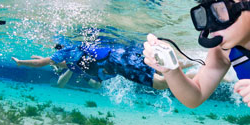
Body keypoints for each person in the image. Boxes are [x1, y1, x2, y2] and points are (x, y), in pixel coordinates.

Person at [12, 39, 197, 90]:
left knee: (161, 83)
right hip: (120, 59)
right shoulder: (72, 56)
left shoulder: (66, 53)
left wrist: (21, 63)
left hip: (118, 62)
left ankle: (199, 72)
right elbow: (58, 64)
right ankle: (193, 63)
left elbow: (42, 63)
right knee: (161, 75)